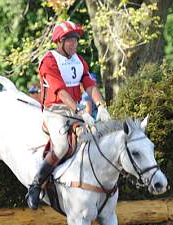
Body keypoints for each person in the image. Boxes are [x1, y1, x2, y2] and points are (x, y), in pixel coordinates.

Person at [26, 20, 111, 210]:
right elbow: (60, 90)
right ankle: (35, 185)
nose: (74, 44)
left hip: (74, 110)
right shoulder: (48, 61)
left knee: (96, 139)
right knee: (63, 145)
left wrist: (101, 106)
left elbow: (89, 84)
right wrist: (80, 111)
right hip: (55, 112)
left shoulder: (79, 60)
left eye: (76, 40)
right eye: (70, 41)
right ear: (59, 42)